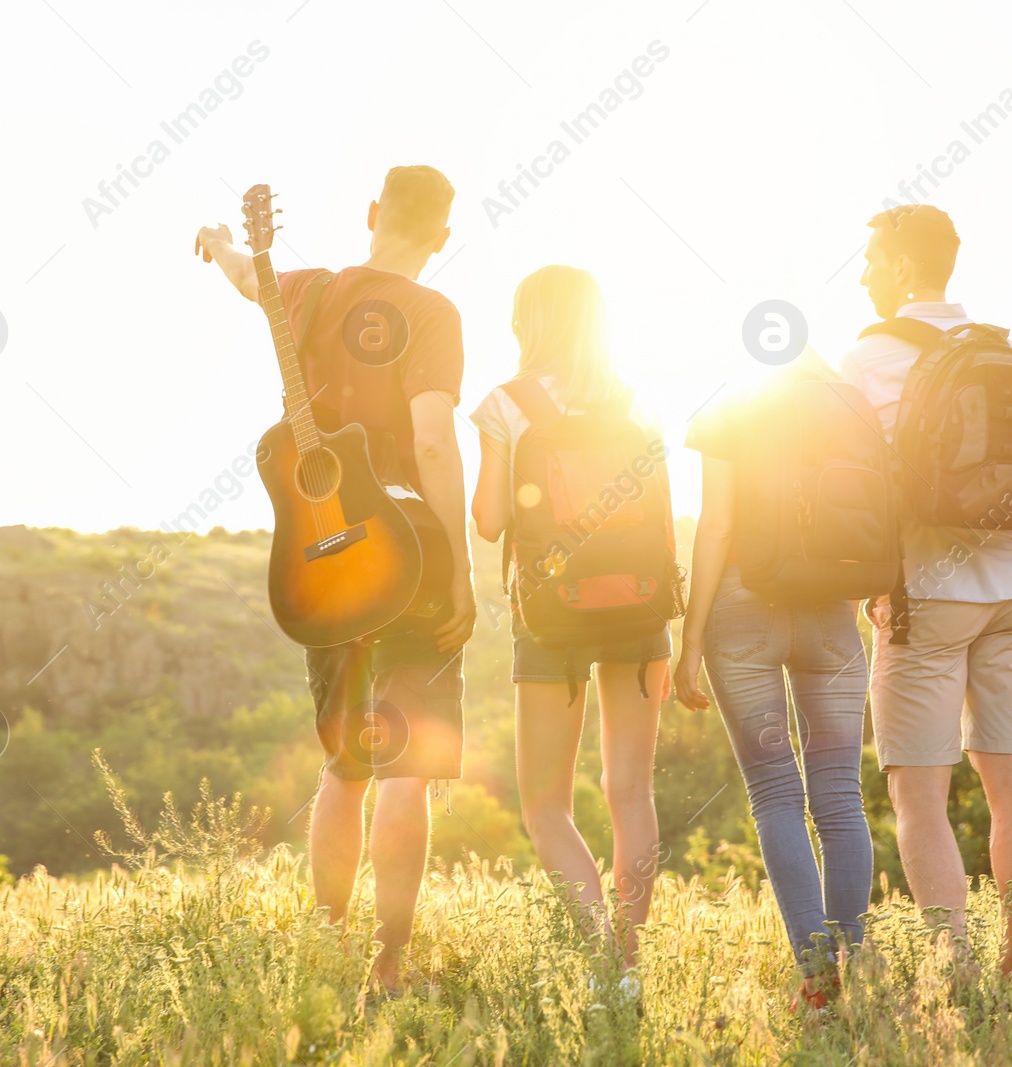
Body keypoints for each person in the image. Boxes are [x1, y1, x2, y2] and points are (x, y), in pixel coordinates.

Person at [194, 164, 476, 994]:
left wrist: (216, 242)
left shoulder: (309, 292)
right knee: (407, 762)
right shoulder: (432, 312)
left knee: (346, 764)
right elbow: (432, 442)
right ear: (444, 237)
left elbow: (253, 279)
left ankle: (328, 945)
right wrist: (460, 569)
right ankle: (387, 965)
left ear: (371, 213)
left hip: (321, 558)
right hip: (408, 552)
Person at [838, 203, 1012, 974]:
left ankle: (959, 967)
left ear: (906, 266)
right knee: (1011, 780)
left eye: (873, 259)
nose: (865, 273)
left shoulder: (870, 355)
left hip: (927, 594)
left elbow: (851, 477)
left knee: (921, 797)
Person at [470, 265, 671, 972]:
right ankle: (631, 952)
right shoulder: (635, 400)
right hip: (641, 603)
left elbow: (491, 520)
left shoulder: (508, 403)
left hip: (551, 616)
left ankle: (601, 955)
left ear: (529, 322)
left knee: (545, 806)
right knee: (632, 792)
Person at [673, 346, 875, 1010]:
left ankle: (817, 983)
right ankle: (853, 977)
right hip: (832, 615)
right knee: (841, 798)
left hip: (740, 609)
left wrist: (692, 635)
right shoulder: (849, 405)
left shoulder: (732, 404)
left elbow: (718, 524)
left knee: (776, 794)